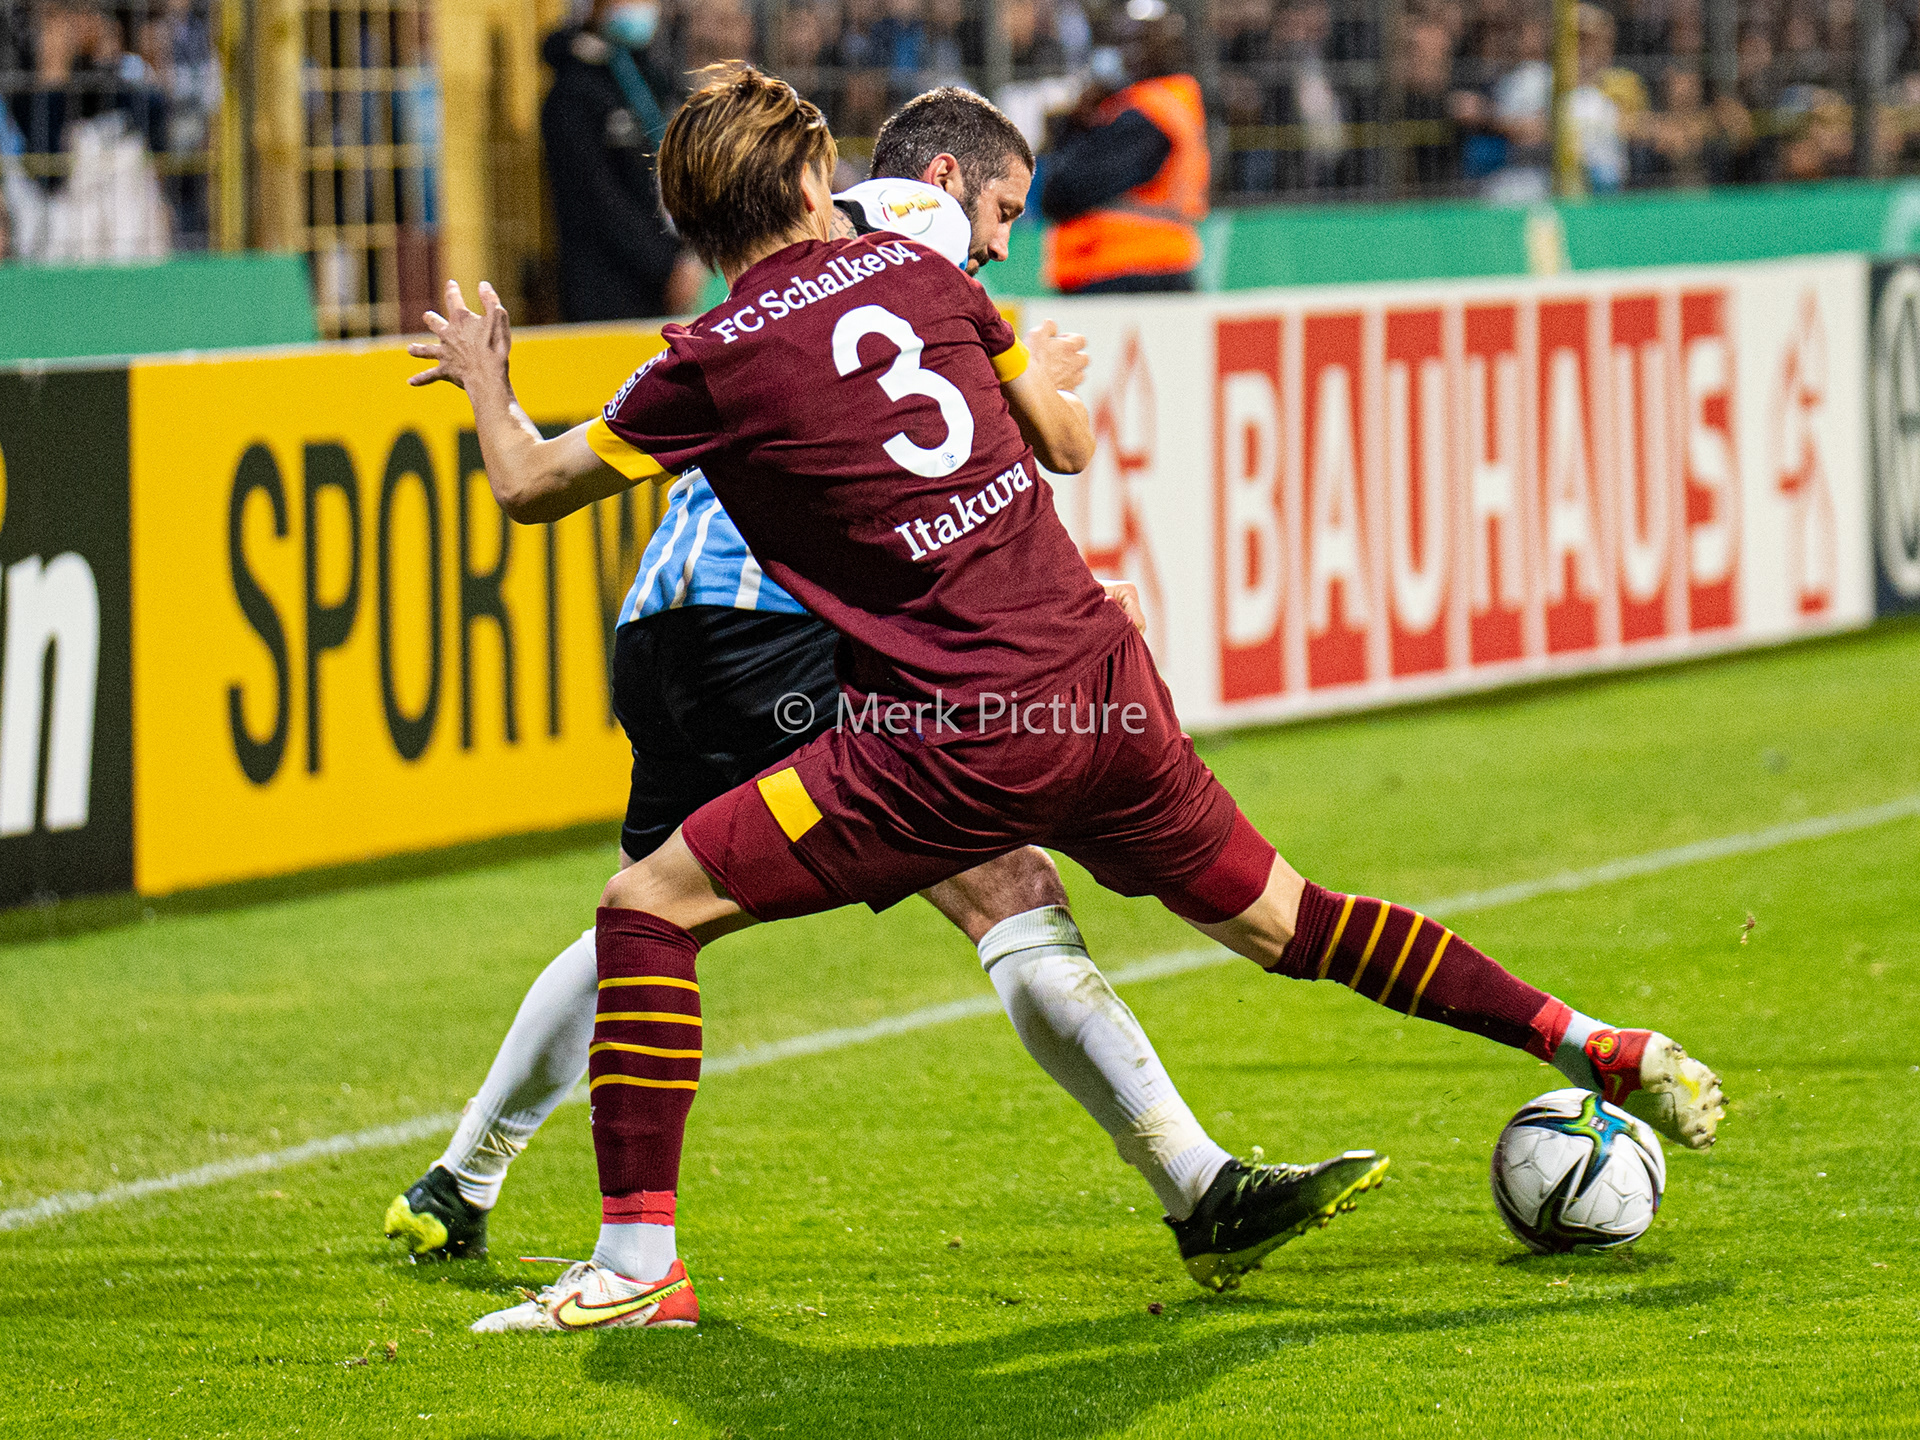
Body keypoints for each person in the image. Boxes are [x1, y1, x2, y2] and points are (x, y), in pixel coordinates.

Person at [415, 64, 1724, 1334]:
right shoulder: (924, 274)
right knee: (1292, 919)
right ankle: (1587, 1041)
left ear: (692, 225)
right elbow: (1064, 440)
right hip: (1102, 690)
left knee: (649, 907)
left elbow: (527, 486)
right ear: (816, 184)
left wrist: (483, 375)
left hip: (949, 735)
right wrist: (1023, 369)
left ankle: (630, 1263)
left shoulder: (707, 357)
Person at [386, 85, 1315, 1308]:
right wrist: (1040, 389)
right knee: (1008, 886)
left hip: (670, 625)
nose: (998, 245)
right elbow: (1001, 470)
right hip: (780, 633)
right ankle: (1199, 1186)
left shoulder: (785, 271)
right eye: (1000, 213)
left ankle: (461, 1177)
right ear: (929, 178)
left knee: (651, 911)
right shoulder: (905, 243)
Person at [540, 0, 703, 321]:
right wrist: (667, 266)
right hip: (607, 293)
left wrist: (693, 254)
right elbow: (597, 198)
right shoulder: (572, 93)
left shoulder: (651, 78)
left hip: (676, 281)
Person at [1039, 1, 1207, 294]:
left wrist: (1074, 127)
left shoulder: (1150, 114)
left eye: (1141, 40)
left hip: (1128, 268)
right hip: (1131, 266)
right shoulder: (1137, 104)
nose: (1129, 52)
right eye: (1123, 42)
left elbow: (1062, 192)